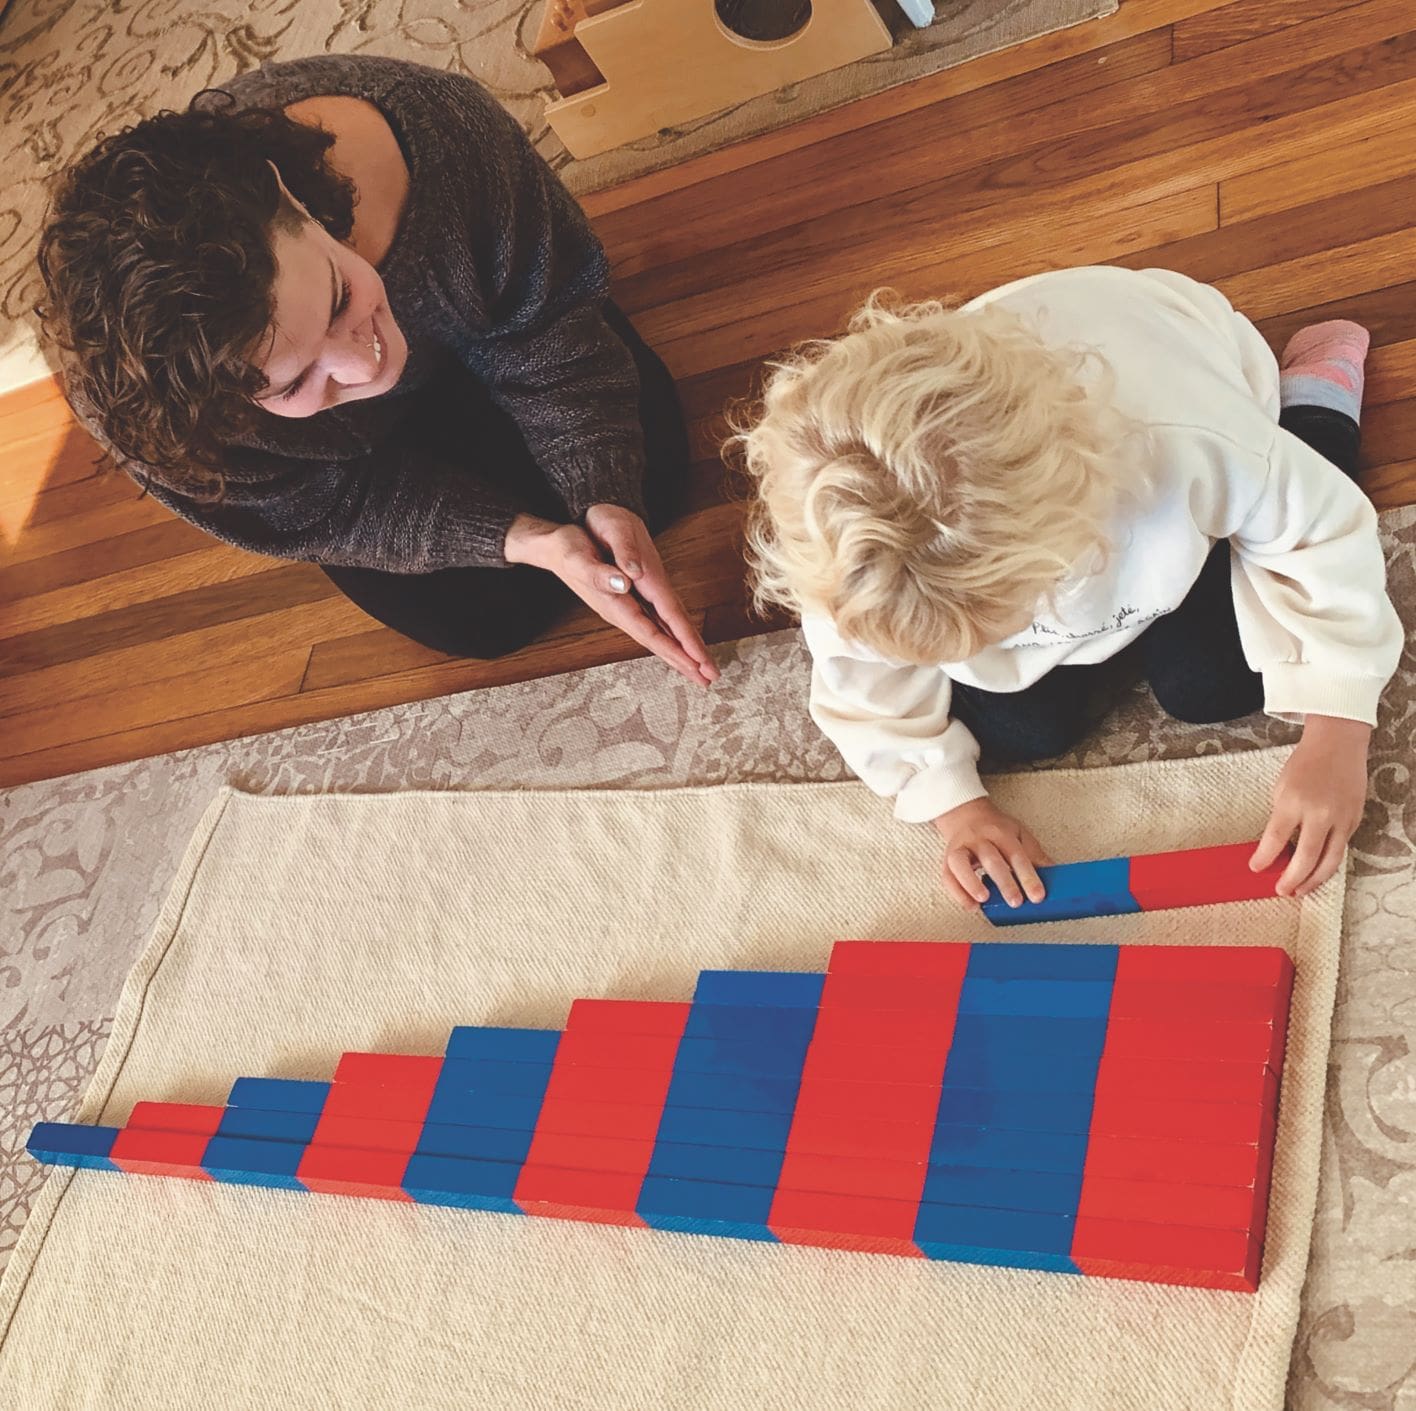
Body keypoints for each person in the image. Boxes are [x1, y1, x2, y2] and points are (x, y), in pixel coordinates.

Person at [36, 53, 719, 687]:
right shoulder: (162, 417)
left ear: (291, 199)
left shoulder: (444, 136)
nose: (365, 367)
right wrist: (531, 540)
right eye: (293, 381)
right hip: (343, 457)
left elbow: (543, 323)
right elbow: (320, 508)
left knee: (650, 484)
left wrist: (602, 489)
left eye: (338, 298)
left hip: (486, 329)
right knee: (486, 619)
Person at [736, 266, 1401, 907]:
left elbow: (1321, 537)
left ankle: (1315, 406)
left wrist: (1337, 735)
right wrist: (957, 809)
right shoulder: (852, 560)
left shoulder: (1186, 442)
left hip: (1193, 452)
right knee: (1025, 730)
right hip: (1056, 539)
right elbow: (862, 685)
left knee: (1214, 684)